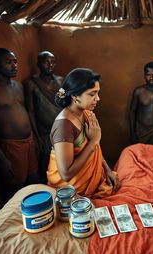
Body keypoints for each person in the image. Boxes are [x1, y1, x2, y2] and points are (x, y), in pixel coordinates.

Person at [47, 68, 120, 198]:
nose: (98, 98)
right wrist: (93, 142)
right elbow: (66, 174)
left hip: (88, 179)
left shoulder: (86, 113)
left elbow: (96, 148)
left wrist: (107, 170)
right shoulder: (64, 126)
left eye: (97, 93)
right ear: (75, 96)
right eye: (92, 94)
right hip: (69, 190)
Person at [0, 48, 39, 200]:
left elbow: (26, 112)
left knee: (34, 181)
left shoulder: (18, 86)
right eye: (9, 62)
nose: (14, 65)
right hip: (11, 147)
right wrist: (1, 158)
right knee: (16, 190)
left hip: (29, 142)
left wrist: (35, 138)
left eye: (15, 61)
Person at [24, 51, 63, 183]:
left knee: (64, 163)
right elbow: (31, 111)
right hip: (45, 134)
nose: (50, 65)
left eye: (53, 62)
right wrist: (36, 136)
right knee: (47, 167)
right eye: (46, 62)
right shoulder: (32, 83)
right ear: (38, 64)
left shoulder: (60, 81)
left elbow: (66, 106)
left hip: (62, 131)